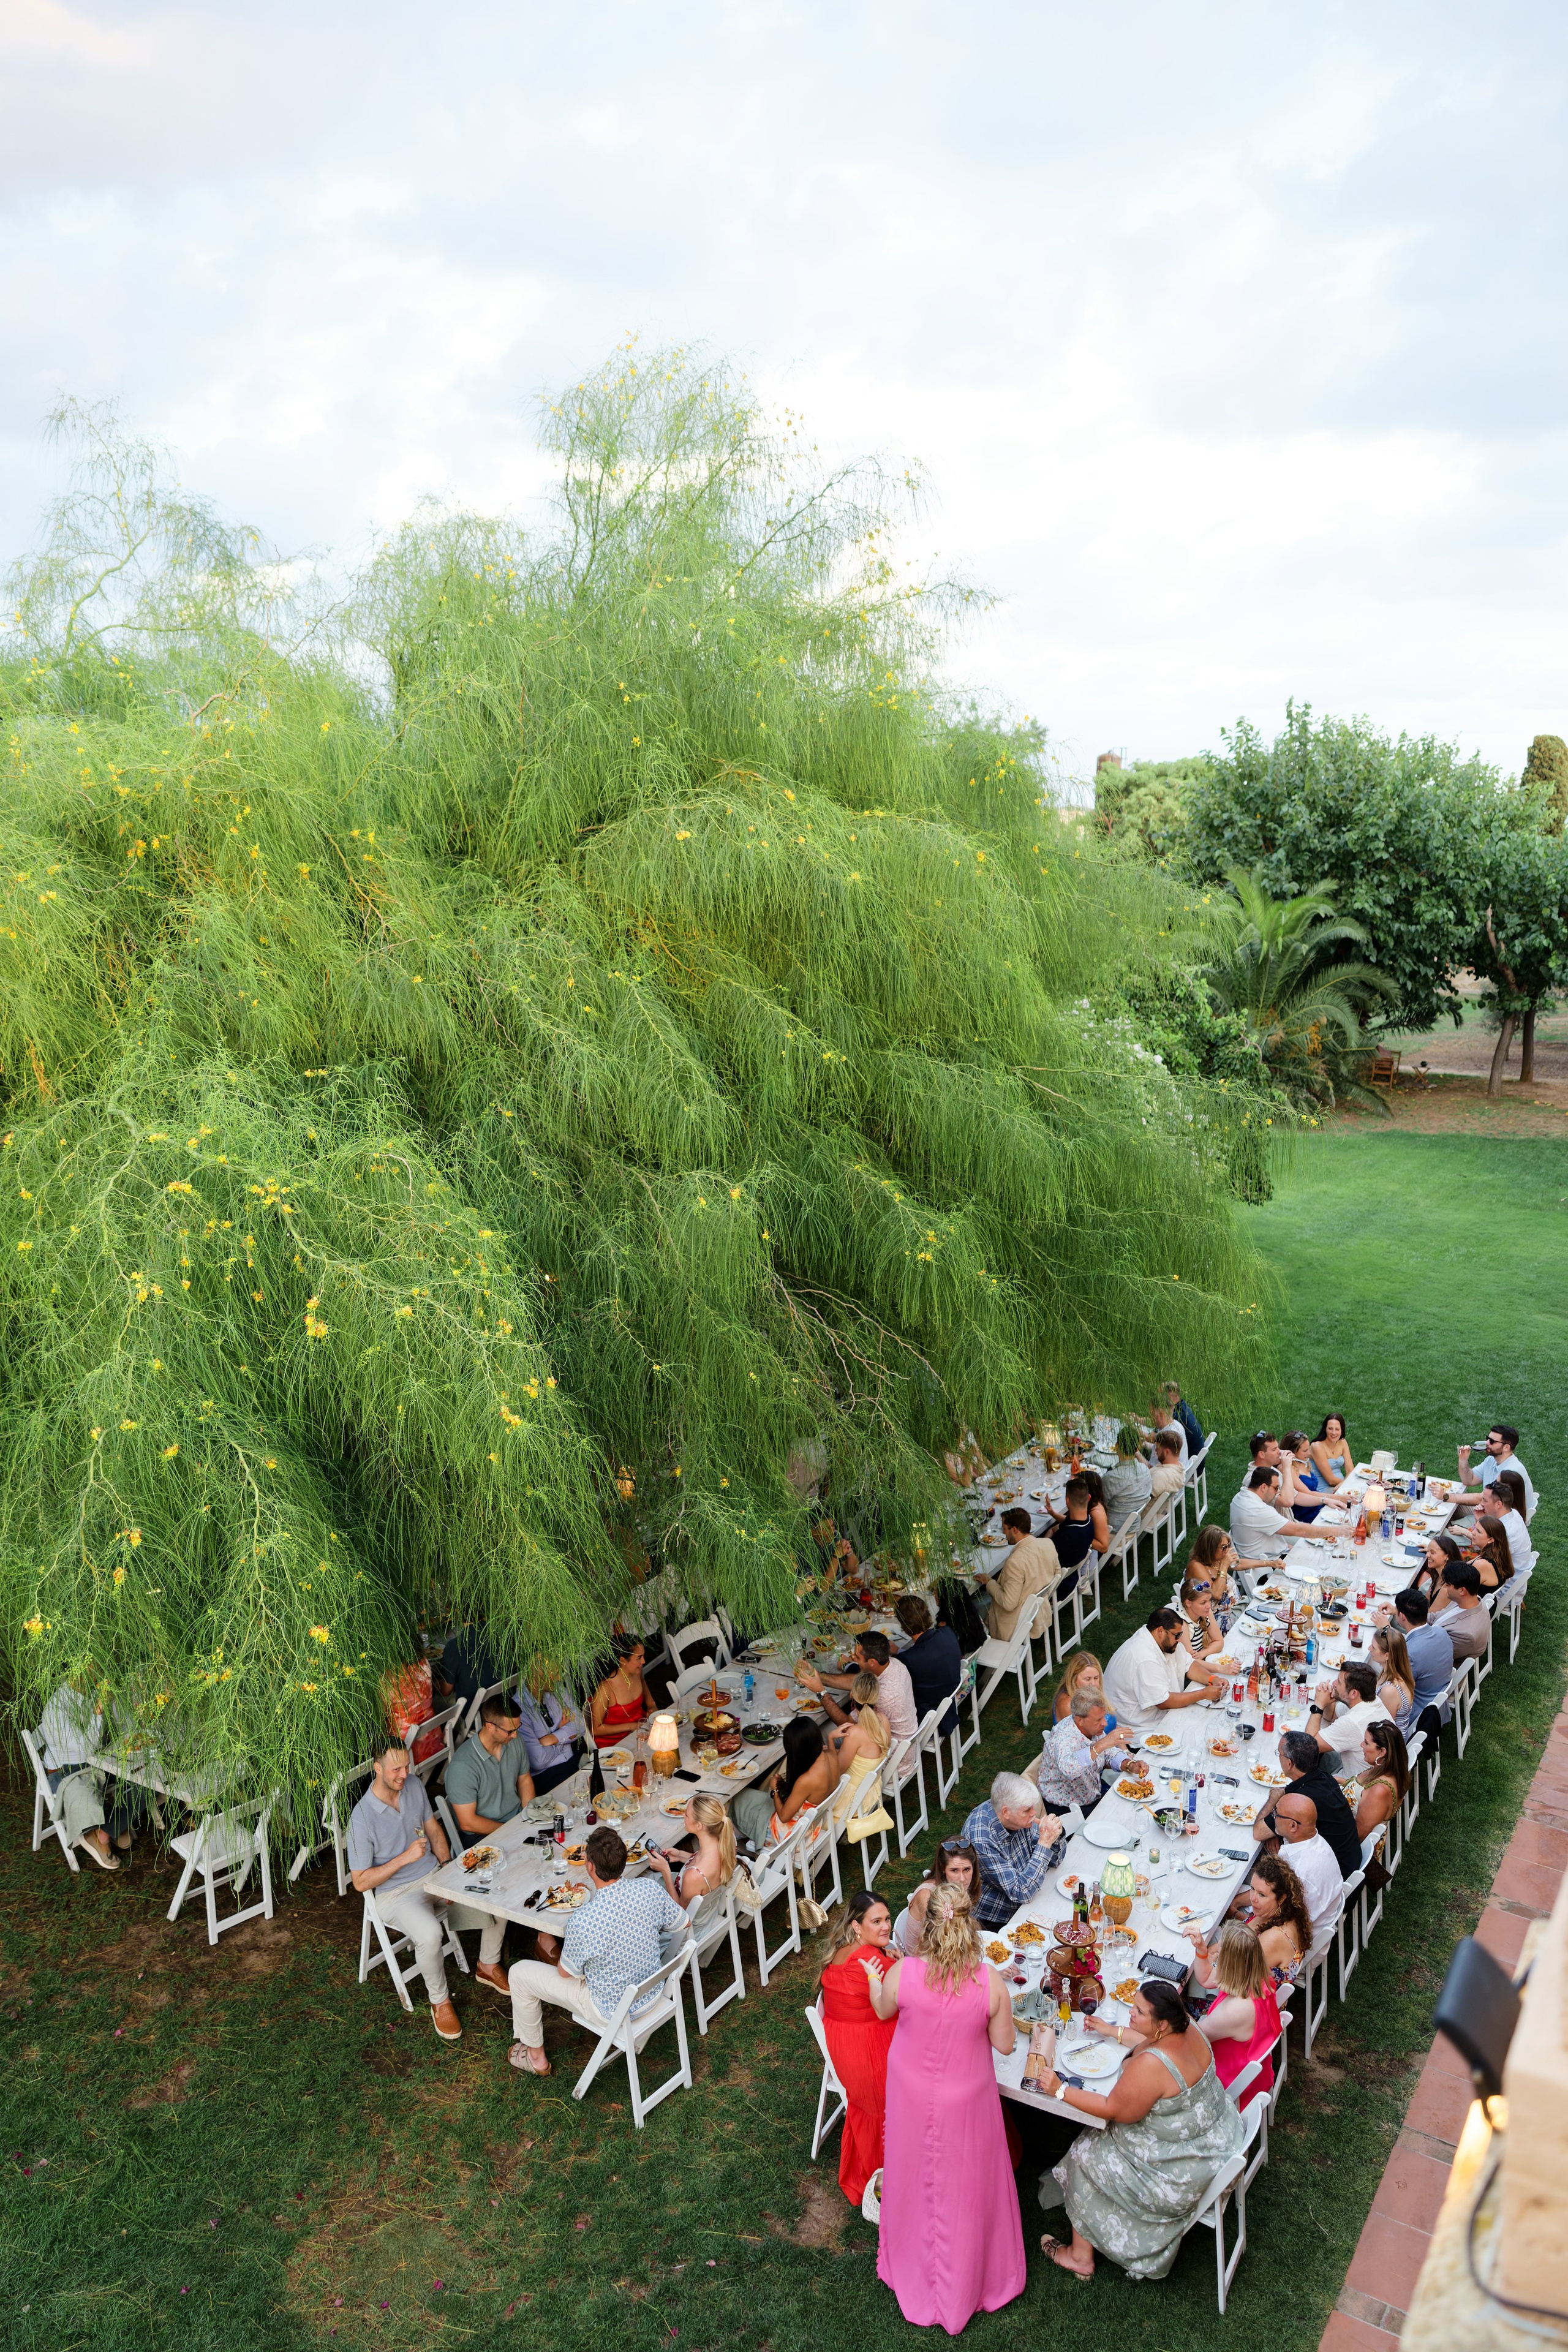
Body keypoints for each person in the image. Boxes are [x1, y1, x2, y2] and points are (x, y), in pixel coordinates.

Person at [864, 1885, 1026, 2328]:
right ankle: (971, 2278)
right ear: (970, 1923)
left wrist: (875, 1979)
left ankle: (915, 2264)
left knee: (916, 2176)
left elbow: (882, 2009)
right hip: (966, 2095)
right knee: (967, 2185)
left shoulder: (904, 1972)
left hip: (912, 2091)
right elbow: (1005, 2045)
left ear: (928, 1926)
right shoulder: (989, 1981)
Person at [1039, 1975, 1244, 2281]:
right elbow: (1151, 2042)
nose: (1131, 2013)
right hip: (1217, 2139)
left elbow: (1113, 2110)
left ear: (1161, 2023)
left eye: (1138, 2011)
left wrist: (1060, 2090)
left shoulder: (1153, 2066)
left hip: (1180, 2174)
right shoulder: (1188, 2024)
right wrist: (1112, 2031)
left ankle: (1080, 2257)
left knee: (1085, 2152)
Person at [506, 1825, 688, 2077]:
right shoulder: (649, 1889)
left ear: (589, 1866)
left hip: (611, 2010)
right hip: (653, 1993)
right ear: (624, 1861)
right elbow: (683, 1923)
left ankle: (536, 2057)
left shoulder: (584, 1920)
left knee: (518, 1973)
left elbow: (565, 1974)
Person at [347, 1741, 461, 2041]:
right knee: (430, 1935)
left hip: (432, 1874)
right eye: (396, 1769)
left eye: (407, 1766)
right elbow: (360, 1882)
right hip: (395, 1894)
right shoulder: (361, 1818)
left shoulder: (413, 1785)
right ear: (378, 1769)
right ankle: (440, 2001)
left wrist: (446, 1868)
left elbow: (432, 1828)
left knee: (487, 1891)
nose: (404, 1774)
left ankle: (488, 1964)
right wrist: (404, 1858)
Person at [442, 1692, 538, 1995]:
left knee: (551, 1858)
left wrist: (528, 1818)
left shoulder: (513, 1742)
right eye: (510, 1730)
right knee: (503, 1885)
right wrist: (511, 1832)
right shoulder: (463, 1765)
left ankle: (545, 1938)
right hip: (482, 1835)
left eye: (517, 1729)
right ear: (490, 1726)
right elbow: (468, 1822)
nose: (515, 1735)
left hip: (514, 1822)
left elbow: (525, 1780)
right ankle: (487, 1964)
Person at [1137, 1921, 1280, 2105]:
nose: (1217, 1954)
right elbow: (1205, 1979)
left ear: (1229, 1963)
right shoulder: (1255, 1975)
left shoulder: (1234, 2011)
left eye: (1221, 1953)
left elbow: (1186, 2038)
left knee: (1155, 2061)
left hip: (1227, 2083)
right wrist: (1201, 1950)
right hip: (1252, 2070)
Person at [818, 1890, 898, 2204]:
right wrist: (899, 1962)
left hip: (842, 2040)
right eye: (876, 1922)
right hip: (864, 2046)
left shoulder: (845, 1948)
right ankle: (889, 2171)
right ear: (856, 1926)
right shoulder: (871, 1959)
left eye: (887, 1919)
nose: (886, 1926)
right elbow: (910, 1992)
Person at [37, 1681, 126, 1871]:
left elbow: (118, 1727)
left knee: (143, 1779)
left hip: (98, 1762)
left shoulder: (95, 1690)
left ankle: (111, 1826)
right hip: (65, 1773)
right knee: (86, 1799)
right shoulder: (57, 1709)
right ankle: (100, 1832)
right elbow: (86, 1749)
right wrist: (98, 1712)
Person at [961, 1770, 1066, 1931]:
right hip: (997, 1917)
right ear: (1006, 1812)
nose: (1034, 1813)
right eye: (1027, 1810)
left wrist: (1056, 1835)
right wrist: (1045, 1843)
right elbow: (1021, 1893)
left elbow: (1055, 1861)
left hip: (1031, 1891)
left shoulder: (1019, 1817)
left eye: (1033, 1807)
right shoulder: (982, 1839)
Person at [1254, 1728, 1362, 1878]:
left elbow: (1259, 1832)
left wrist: (1274, 1797)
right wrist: (1276, 1831)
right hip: (1348, 1862)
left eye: (1280, 1754)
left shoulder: (1300, 1801)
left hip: (1328, 1876)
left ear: (1290, 1764)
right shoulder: (1325, 1779)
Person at [799, 1631, 919, 1767]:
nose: (853, 1659)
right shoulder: (895, 1665)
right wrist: (818, 1677)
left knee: (818, 1732)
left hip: (890, 1763)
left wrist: (821, 1692)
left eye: (857, 1657)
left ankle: (818, 1774)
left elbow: (847, 1725)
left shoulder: (882, 1696)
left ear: (872, 1662)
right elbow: (857, 1681)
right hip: (901, 1747)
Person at [1101, 1609, 1221, 1738]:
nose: (1179, 1640)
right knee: (1201, 1734)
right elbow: (1163, 1702)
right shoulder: (1144, 1658)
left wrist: (1212, 1679)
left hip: (1160, 1716)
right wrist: (1203, 1694)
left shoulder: (1165, 1641)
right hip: (1139, 1728)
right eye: (1177, 1635)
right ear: (1161, 1631)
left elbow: (1189, 1664)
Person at [731, 1716, 840, 1851]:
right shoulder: (831, 1755)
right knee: (750, 1798)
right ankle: (743, 1836)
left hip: (791, 1834)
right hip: (811, 1826)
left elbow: (783, 1817)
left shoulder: (807, 1780)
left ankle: (737, 1844)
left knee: (737, 1799)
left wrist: (775, 1790)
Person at [1271, 1790, 1345, 1953]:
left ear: (1293, 1826)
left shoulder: (1300, 1872)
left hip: (1295, 1946)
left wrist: (1236, 1913)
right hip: (1307, 1924)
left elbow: (1278, 1918)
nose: (1273, 1816)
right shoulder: (1315, 1841)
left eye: (1276, 1813)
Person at [1372, 1588, 1455, 1730]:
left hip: (1418, 1715)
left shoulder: (1409, 1653)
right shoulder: (1441, 1632)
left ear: (1402, 1617)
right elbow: (1415, 1643)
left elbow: (1391, 1683)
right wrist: (1395, 1616)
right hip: (1436, 1700)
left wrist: (1387, 1631)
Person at [1036, 1686, 1129, 1811]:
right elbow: (1070, 1770)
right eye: (1099, 1720)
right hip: (1067, 1806)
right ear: (1080, 1720)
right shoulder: (1062, 1738)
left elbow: (1107, 1754)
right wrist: (1101, 1745)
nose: (1105, 1723)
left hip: (1092, 1793)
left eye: (1104, 1717)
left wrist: (1127, 1763)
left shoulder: (1093, 1728)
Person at [973, 1508, 1060, 1642]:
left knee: (973, 1606)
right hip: (1038, 1610)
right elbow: (1057, 1574)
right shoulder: (1047, 1543)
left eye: (1005, 1529)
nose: (1003, 1533)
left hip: (1014, 1622)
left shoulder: (1015, 1562)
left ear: (1014, 1530)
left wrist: (989, 1582)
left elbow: (1008, 1604)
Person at [1226, 1853, 1311, 1986]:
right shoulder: (1281, 1912)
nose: (1253, 1898)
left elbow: (1235, 1980)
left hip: (1244, 1993)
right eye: (1252, 1889)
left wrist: (1210, 1957)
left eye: (1262, 1894)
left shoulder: (1273, 1939)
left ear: (1281, 1898)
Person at [828, 1672, 894, 1838]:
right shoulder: (883, 1720)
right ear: (876, 1697)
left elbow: (837, 1770)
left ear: (852, 1695)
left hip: (852, 1801)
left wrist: (830, 1740)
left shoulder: (855, 1733)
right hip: (871, 1791)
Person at [647, 1793, 736, 1914]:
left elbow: (681, 1914)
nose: (683, 1815)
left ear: (699, 1826)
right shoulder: (724, 1842)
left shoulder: (693, 1876)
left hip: (689, 1922)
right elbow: (704, 1863)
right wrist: (679, 1855)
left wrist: (665, 1871)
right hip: (709, 1910)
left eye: (687, 1814)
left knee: (645, 1882)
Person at [1231, 1461, 1334, 1562]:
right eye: (1276, 1488)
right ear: (1264, 1487)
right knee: (1322, 1558)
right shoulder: (1259, 1511)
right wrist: (1334, 1531)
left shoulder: (1239, 1498)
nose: (1278, 1492)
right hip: (1269, 1564)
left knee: (1315, 1553)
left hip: (1268, 1555)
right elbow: (1298, 1530)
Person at [896, 1838, 982, 1954]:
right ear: (943, 1869)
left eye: (967, 1869)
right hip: (925, 1957)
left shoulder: (957, 1888)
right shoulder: (928, 1896)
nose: (962, 1879)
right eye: (954, 1870)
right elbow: (943, 1945)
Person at [894, 1595, 963, 1735]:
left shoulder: (908, 1660)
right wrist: (899, 1651)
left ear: (903, 1625)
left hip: (927, 1719)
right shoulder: (948, 1632)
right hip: (947, 1706)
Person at [1308, 1659, 1391, 1771]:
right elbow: (1331, 1715)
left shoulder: (1353, 1722)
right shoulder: (1369, 1700)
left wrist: (1318, 1705)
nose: (1334, 1684)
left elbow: (1308, 1746)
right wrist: (1329, 1697)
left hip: (1351, 1779)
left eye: (1339, 1682)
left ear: (1353, 1693)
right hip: (1371, 1772)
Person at [514, 1665, 584, 1797]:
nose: (558, 1678)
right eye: (555, 1674)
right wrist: (563, 1734)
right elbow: (538, 1761)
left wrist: (552, 1739)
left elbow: (581, 1725)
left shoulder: (558, 1689)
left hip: (574, 1759)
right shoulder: (519, 1709)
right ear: (536, 1674)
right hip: (547, 1775)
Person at [1458, 1423, 1536, 1521]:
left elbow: (1482, 1499)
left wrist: (1446, 1496)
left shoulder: (1510, 1473)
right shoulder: (1491, 1460)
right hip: (1489, 1511)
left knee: (1449, 1509)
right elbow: (1469, 1480)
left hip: (1501, 1523)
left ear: (1506, 1447)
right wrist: (1463, 1460)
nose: (1487, 1443)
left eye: (1492, 1441)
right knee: (1450, 1507)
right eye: (1487, 1439)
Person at [1347, 1719, 1409, 1843]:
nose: (1362, 1745)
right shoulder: (1384, 1770)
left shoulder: (1380, 1790)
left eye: (1366, 1743)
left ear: (1382, 1752)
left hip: (1347, 1845)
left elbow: (1359, 1834)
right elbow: (1362, 1793)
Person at [589, 1634, 650, 1751]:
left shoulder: (637, 1672)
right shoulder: (605, 1689)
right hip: (615, 1746)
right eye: (639, 1658)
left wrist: (651, 1705)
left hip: (639, 1734)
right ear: (623, 1660)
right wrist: (631, 1726)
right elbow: (596, 1729)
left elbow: (643, 1683)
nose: (643, 1661)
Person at [1042, 1476, 1104, 1589]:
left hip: (1057, 1586)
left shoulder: (1067, 1537)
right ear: (1089, 1497)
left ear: (1067, 1500)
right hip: (1072, 1578)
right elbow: (1057, 1527)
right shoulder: (1088, 1521)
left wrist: (1047, 1537)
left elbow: (1044, 1555)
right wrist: (1053, 1515)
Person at [1431, 1560, 1491, 1663]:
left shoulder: (1466, 1635)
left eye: (1448, 1585)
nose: (1444, 1587)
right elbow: (1437, 1617)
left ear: (1462, 1591)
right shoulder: (1471, 1601)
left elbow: (1434, 1653)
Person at [439, 1624, 507, 1712]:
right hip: (506, 1699)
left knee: (436, 1701)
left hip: (474, 1709)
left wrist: (432, 1683)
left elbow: (445, 1691)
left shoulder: (455, 1646)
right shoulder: (505, 1636)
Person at [1101, 1424, 1153, 1530]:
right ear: (1137, 1448)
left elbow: (1101, 1504)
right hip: (1134, 1525)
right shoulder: (1145, 1469)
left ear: (1116, 1446)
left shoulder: (1111, 1478)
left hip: (1113, 1529)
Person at [1482, 1472, 1533, 1574]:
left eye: (1485, 1501)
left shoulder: (1505, 1532)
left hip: (1505, 1579)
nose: (1482, 1504)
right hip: (1512, 1569)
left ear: (1499, 1504)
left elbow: (1485, 1555)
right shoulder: (1514, 1513)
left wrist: (1479, 1522)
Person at [1370, 1624, 1417, 1733]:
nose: (1369, 1649)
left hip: (1387, 1740)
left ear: (1387, 1656)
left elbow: (1383, 1730)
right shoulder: (1396, 1672)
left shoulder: (1390, 1691)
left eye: (1373, 1647)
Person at [1172, 1572, 1226, 1668]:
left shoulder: (1205, 1611)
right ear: (1188, 1603)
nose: (1208, 1606)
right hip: (1189, 1670)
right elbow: (1190, 1662)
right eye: (1203, 1603)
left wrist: (1201, 1654)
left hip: (1202, 1661)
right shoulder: (1182, 1623)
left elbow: (1219, 1642)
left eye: (1209, 1600)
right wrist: (1221, 1669)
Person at [1185, 1523, 1240, 1613]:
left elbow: (1238, 1564)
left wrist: (1265, 1563)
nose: (1227, 1550)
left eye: (1228, 1545)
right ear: (1210, 1548)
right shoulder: (1196, 1566)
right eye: (1224, 1547)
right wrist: (1224, 1566)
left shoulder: (1215, 1559)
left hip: (1237, 1609)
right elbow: (1216, 1594)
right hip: (1220, 1617)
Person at [1052, 1649, 1110, 1725]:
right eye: (1088, 1679)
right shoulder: (1067, 1705)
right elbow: (1076, 1733)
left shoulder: (1090, 1696)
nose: (1093, 1684)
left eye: (1096, 1678)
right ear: (1074, 1679)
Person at [1143, 1429, 1186, 1528]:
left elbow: (1141, 1500)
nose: (1155, 1451)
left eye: (1157, 1448)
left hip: (1141, 1515)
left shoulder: (1161, 1478)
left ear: (1167, 1452)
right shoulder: (1179, 1468)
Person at [1283, 1430, 1325, 1521]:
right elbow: (1308, 1493)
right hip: (1306, 1515)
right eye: (1305, 1451)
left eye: (1309, 1449)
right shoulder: (1290, 1469)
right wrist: (1336, 1498)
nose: (1309, 1453)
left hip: (1317, 1506)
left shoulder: (1303, 1462)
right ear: (1293, 1452)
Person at [1470, 1515, 1515, 1593]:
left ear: (1491, 1540)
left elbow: (1461, 1589)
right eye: (1475, 1528)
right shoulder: (1497, 1555)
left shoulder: (1482, 1564)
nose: (1473, 1532)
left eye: (1478, 1531)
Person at [1164, 1381, 1205, 1461]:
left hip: (1190, 1462)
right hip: (1196, 1459)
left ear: (1173, 1397)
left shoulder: (1179, 1416)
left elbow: (1158, 1425)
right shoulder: (1183, 1406)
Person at [1311, 1412, 1352, 1491]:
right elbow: (1331, 1481)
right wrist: (1348, 1484)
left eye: (1337, 1429)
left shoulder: (1343, 1442)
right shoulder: (1317, 1446)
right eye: (1330, 1429)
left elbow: (1350, 1470)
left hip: (1341, 1486)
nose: (1334, 1433)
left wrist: (1346, 1485)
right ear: (1325, 1429)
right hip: (1322, 1489)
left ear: (1342, 1431)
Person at [1148, 1399, 1190, 1466]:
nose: (1151, 1419)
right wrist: (1144, 1444)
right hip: (1181, 1469)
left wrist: (1137, 1453)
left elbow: (1151, 1468)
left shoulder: (1166, 1436)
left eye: (1152, 1415)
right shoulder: (1177, 1425)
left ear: (1161, 1414)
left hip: (1168, 1472)